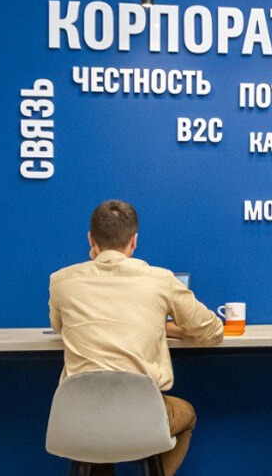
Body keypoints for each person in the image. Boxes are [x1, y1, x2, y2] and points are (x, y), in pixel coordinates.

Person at [48, 200, 224, 476]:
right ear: (134, 240)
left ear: (91, 239)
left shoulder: (62, 281)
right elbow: (212, 330)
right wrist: (164, 326)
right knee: (186, 414)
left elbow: (59, 326)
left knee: (99, 434)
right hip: (143, 417)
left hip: (79, 418)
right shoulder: (160, 280)